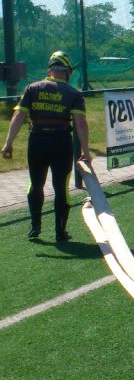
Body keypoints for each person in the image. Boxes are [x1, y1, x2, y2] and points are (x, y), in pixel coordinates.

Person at [2, 51, 93, 242]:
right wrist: (86, 151)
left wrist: (8, 144)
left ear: (49, 70)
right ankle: (60, 232)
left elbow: (19, 116)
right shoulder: (73, 93)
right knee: (61, 187)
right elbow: (81, 124)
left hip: (37, 141)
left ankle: (35, 227)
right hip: (61, 142)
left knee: (36, 183)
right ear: (68, 71)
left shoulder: (32, 88)